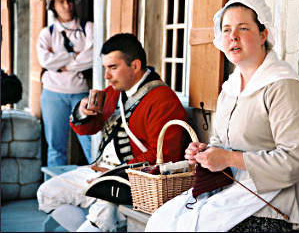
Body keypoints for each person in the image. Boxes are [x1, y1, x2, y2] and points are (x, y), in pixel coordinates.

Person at [145, 0, 299, 232]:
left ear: (263, 34)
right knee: (162, 220)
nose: (233, 37)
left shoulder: (284, 86)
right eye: (227, 30)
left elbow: (294, 161)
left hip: (280, 201)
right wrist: (205, 153)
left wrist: (228, 159)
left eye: (243, 28)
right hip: (234, 188)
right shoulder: (230, 88)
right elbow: (221, 143)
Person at [37, 33, 188, 232]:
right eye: (105, 68)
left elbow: (163, 157)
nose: (107, 75)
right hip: (102, 172)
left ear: (135, 66)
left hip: (132, 182)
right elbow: (86, 129)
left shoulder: (163, 100)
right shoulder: (114, 92)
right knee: (47, 193)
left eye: (113, 68)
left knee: (99, 217)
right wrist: (83, 112)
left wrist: (113, 175)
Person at [36, 0, 93, 166]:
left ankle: (98, 188)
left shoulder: (87, 27)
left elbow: (92, 56)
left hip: (80, 92)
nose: (67, 6)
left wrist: (63, 64)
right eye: (62, 2)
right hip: (53, 93)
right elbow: (46, 61)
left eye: (70, 2)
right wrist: (74, 56)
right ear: (53, 5)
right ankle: (52, 192)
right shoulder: (47, 33)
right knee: (55, 146)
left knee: (91, 143)